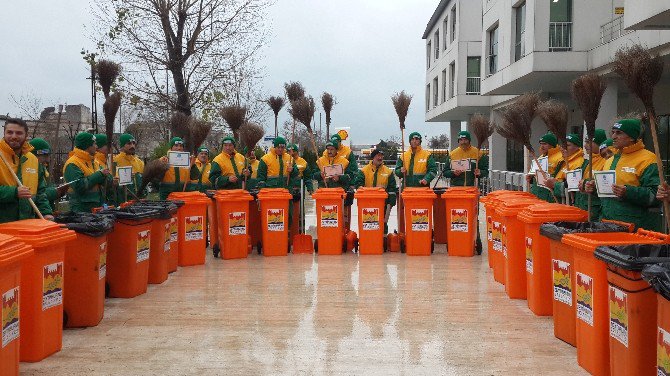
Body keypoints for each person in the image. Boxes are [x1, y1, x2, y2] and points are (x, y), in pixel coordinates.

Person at [585, 119, 661, 231]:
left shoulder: (648, 159)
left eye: (619, 133)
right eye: (613, 132)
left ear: (631, 137)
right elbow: (607, 193)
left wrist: (628, 192)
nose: (613, 137)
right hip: (607, 223)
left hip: (634, 228)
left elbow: (655, 196)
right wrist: (594, 188)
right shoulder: (610, 160)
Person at [0, 118, 53, 222]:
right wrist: (14, 192)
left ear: (26, 135)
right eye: (10, 132)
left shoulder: (32, 159)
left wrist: (46, 213)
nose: (14, 136)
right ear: (4, 133)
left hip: (27, 224)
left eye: (19, 133)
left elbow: (40, 192)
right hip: (3, 226)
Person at [315, 140, 359, 229]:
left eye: (332, 149)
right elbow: (313, 175)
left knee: (338, 219)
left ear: (336, 150)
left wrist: (340, 178)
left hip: (338, 195)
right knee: (326, 219)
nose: (330, 151)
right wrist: (320, 175)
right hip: (324, 194)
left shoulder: (344, 162)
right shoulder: (320, 161)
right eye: (328, 149)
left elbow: (350, 176)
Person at [63, 132, 110, 213]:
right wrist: (99, 175)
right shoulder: (72, 164)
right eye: (94, 144)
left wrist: (109, 178)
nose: (97, 147)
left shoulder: (95, 161)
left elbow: (106, 178)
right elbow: (79, 186)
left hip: (97, 208)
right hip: (81, 210)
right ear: (87, 145)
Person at [355, 148, 397, 234]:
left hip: (383, 203)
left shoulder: (388, 172)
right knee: (368, 223)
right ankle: (368, 238)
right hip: (367, 203)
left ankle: (382, 240)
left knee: (383, 223)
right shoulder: (364, 171)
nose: (380, 158)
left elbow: (392, 187)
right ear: (373, 157)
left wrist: (391, 200)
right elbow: (358, 184)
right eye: (378, 156)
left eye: (381, 156)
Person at [571, 129, 608, 220]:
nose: (585, 145)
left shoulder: (605, 161)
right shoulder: (589, 161)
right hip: (583, 207)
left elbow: (605, 184)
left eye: (588, 142)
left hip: (594, 210)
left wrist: (587, 183)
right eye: (585, 142)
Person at [526, 132, 564, 203]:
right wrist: (531, 178)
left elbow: (559, 177)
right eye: (541, 144)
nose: (542, 146)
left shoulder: (560, 157)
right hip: (538, 194)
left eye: (545, 144)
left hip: (550, 196)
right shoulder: (542, 157)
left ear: (552, 145)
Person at [545, 133, 584, 203]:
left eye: (568, 145)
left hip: (567, 205)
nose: (563, 148)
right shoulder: (562, 161)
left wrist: (555, 185)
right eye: (562, 145)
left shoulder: (580, 163)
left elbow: (574, 189)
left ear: (577, 147)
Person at [29, 138, 60, 210]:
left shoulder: (43, 169)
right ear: (33, 156)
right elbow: (36, 193)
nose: (48, 160)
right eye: (45, 156)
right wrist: (54, 192)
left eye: (48, 156)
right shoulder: (29, 171)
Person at [113, 133, 144, 203]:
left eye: (133, 143)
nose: (132, 146)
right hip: (122, 200)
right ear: (122, 146)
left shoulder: (139, 162)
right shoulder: (115, 161)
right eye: (129, 143)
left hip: (139, 199)